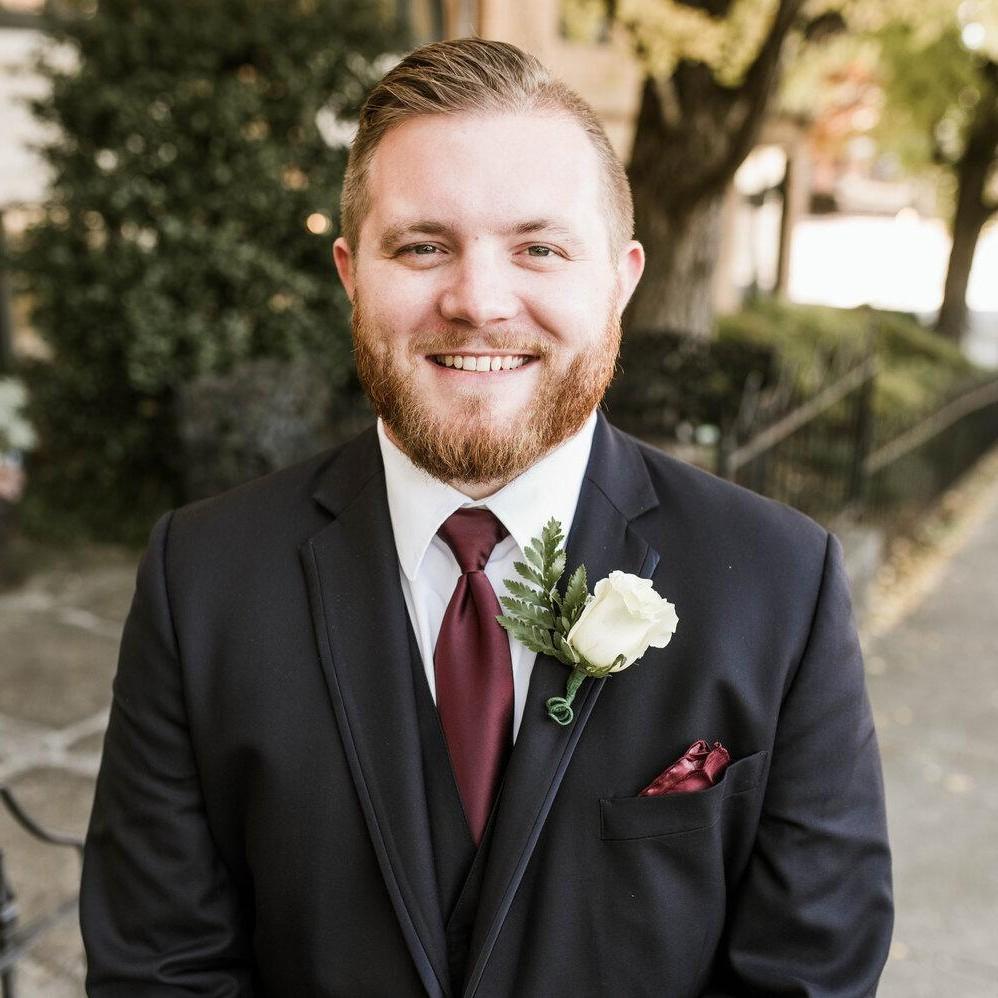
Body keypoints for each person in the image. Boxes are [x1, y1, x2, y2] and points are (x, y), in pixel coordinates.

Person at [80, 37, 893, 997]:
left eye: (539, 248)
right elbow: (160, 970)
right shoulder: (201, 578)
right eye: (423, 246)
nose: (478, 301)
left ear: (621, 277)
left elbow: (808, 973)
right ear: (351, 273)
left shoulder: (781, 580)